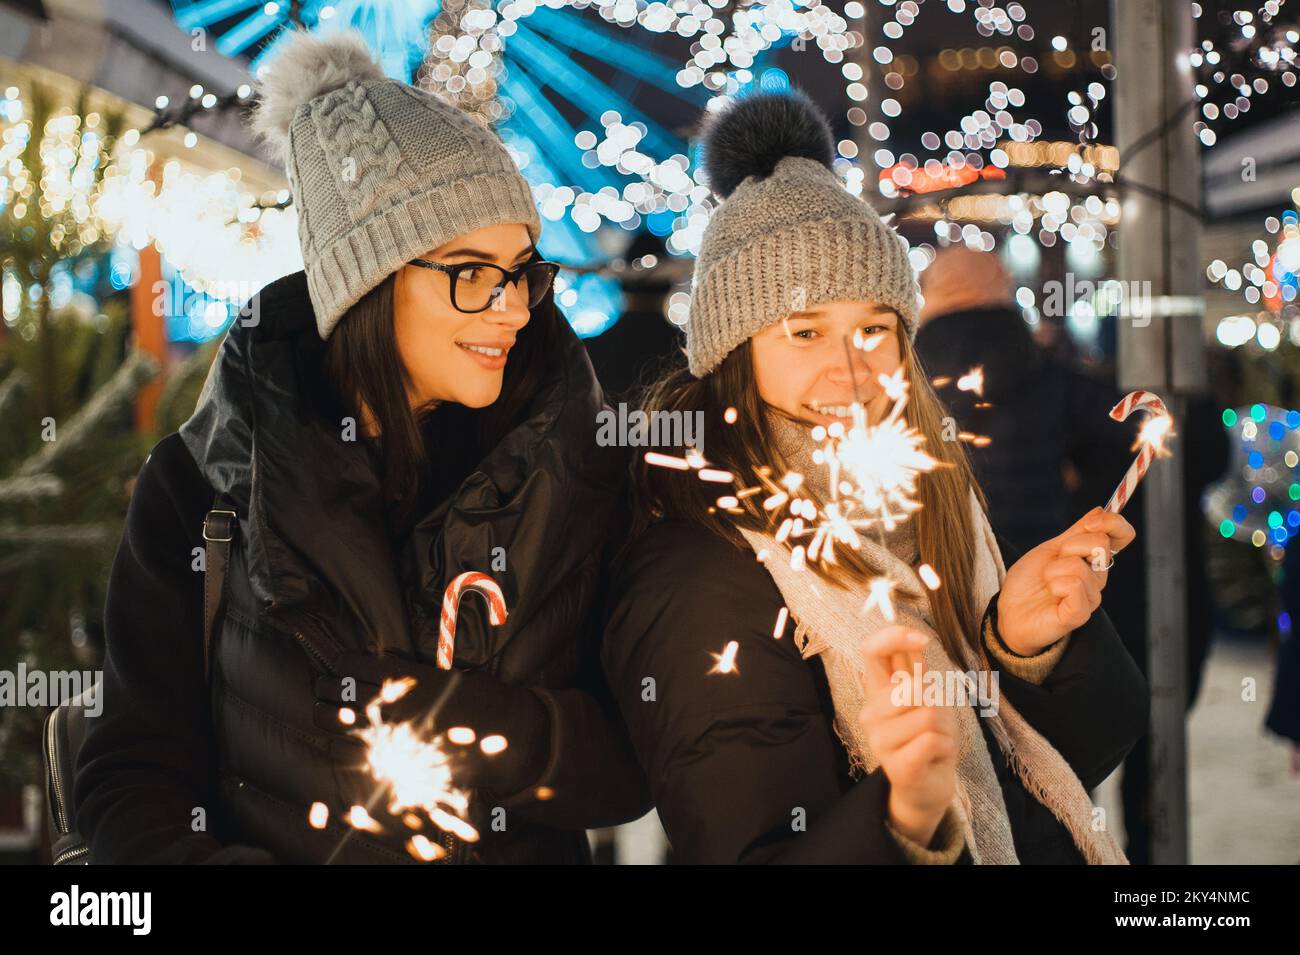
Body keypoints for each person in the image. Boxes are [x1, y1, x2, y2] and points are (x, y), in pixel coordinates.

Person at [74, 30, 649, 864]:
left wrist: (485, 726)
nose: (515, 309)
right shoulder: (201, 492)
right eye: (470, 271)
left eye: (523, 269)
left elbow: (635, 767)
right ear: (367, 281)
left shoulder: (576, 471)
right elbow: (131, 775)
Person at [601, 90, 1149, 864]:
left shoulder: (937, 502)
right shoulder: (697, 566)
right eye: (804, 331)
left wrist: (1023, 650)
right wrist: (903, 817)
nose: (851, 369)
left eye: (874, 329)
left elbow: (1058, 776)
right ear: (734, 349)